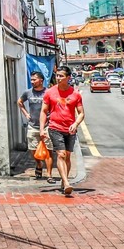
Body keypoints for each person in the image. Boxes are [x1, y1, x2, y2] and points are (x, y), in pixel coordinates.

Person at [40, 66, 85, 197]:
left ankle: (64, 180)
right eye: (57, 75)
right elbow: (44, 111)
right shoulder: (49, 92)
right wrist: (42, 129)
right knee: (61, 154)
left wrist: (75, 124)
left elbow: (81, 113)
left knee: (68, 156)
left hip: (70, 129)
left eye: (61, 76)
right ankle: (66, 183)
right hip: (55, 127)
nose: (58, 78)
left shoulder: (75, 94)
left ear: (68, 78)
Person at [18, 71, 51, 179]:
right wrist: (26, 114)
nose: (32, 82)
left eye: (34, 79)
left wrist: (51, 116)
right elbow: (19, 102)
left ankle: (49, 174)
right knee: (33, 149)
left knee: (48, 150)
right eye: (31, 79)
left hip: (47, 126)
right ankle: (39, 164)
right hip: (33, 125)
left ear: (41, 80)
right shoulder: (28, 92)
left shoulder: (48, 92)